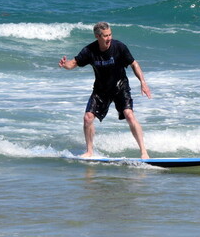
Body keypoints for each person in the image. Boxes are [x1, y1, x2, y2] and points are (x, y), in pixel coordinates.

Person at [58, 21, 151, 159]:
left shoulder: (119, 47)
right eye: (105, 36)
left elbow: (134, 64)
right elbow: (74, 63)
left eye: (110, 34)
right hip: (101, 89)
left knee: (129, 115)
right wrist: (65, 65)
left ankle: (144, 152)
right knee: (88, 118)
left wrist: (143, 82)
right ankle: (89, 151)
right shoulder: (89, 50)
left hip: (120, 86)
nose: (109, 38)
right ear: (97, 36)